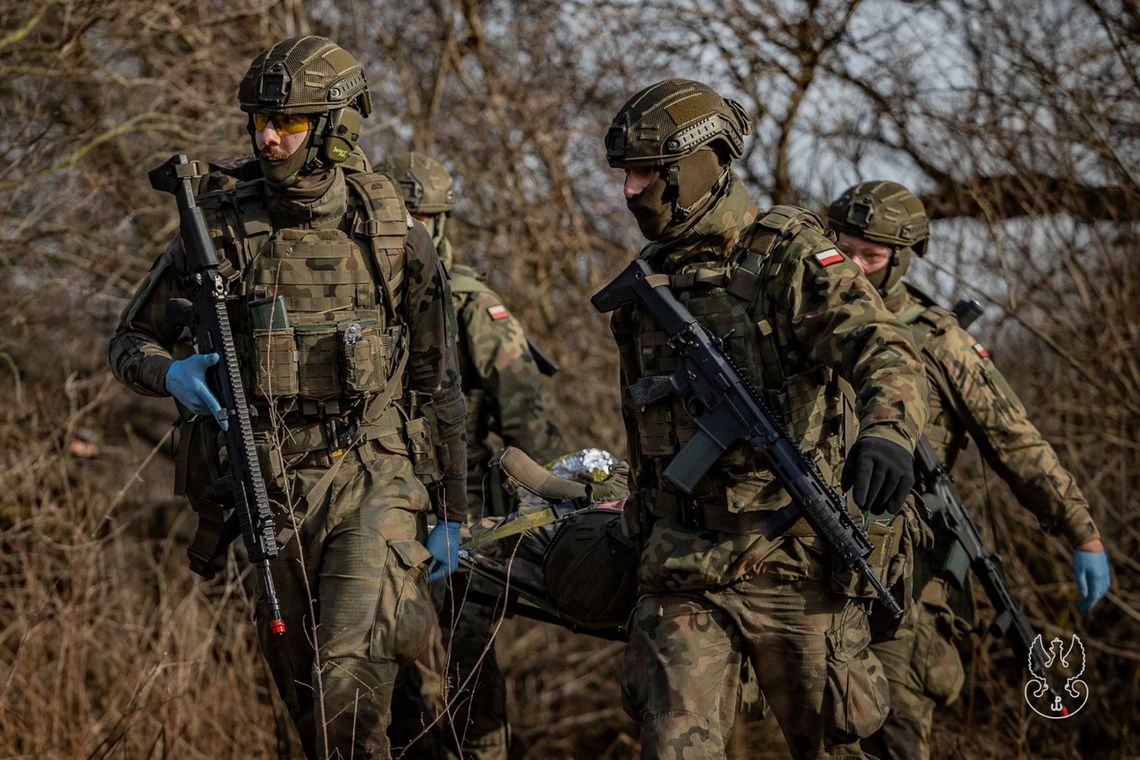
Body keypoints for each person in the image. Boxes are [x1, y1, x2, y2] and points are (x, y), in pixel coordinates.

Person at [109, 36, 468, 760]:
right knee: (306, 702)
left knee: (345, 688)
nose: (267, 138)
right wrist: (171, 375)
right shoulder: (216, 227)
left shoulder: (390, 230)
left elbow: (439, 382)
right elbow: (128, 340)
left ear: (336, 132)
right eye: (258, 122)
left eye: (289, 123)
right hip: (266, 484)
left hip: (372, 478)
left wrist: (452, 512)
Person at [602, 78, 931, 759]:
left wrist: (889, 431)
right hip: (685, 562)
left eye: (644, 173)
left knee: (836, 741)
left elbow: (884, 345)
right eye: (626, 175)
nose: (630, 191)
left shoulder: (787, 255)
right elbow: (642, 427)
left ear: (691, 168)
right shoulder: (647, 286)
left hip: (793, 559)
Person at [826, 180, 1113, 760]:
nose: (855, 266)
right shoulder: (804, 319)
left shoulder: (937, 339)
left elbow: (1015, 441)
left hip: (903, 580)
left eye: (872, 256)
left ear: (901, 260)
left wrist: (1080, 529)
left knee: (892, 732)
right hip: (811, 562)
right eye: (845, 248)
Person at [380, 151, 566, 759]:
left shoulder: (468, 305)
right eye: (399, 214)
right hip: (382, 509)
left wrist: (548, 520)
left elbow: (528, 417)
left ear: (440, 222)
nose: (409, 227)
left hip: (459, 521)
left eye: (421, 216)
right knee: (394, 677)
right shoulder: (368, 299)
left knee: (460, 670)